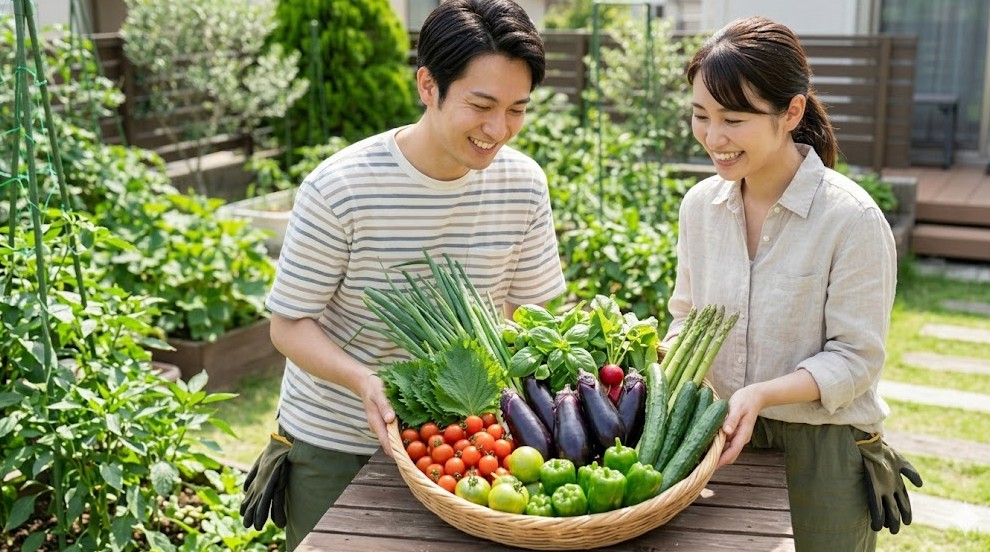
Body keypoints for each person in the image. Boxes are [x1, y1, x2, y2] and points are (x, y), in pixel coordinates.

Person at [237, 0, 566, 548]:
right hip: (338, 439)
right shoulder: (340, 188)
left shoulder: (524, 183)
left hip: (466, 439)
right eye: (481, 105)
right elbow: (289, 325)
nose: (498, 128)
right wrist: (366, 381)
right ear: (428, 86)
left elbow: (531, 312)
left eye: (517, 109)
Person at [663, 16, 922, 552]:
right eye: (701, 115)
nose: (713, 137)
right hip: (715, 434)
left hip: (823, 446)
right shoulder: (699, 207)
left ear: (792, 112)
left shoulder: (850, 219)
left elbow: (855, 359)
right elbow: (686, 317)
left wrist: (760, 394)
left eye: (733, 119)